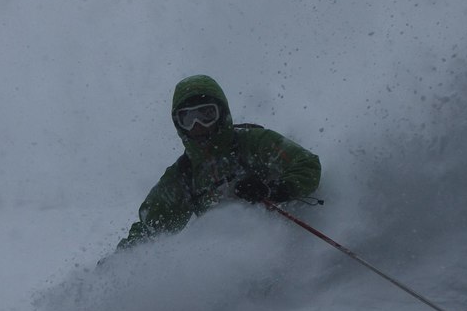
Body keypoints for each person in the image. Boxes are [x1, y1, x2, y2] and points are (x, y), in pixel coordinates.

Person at [119, 74, 321, 248]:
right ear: (179, 125)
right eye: (188, 119)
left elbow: (306, 164)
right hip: (231, 261)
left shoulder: (252, 142)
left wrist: (275, 189)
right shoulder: (184, 175)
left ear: (221, 113)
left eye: (206, 114)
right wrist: (118, 264)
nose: (198, 125)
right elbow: (150, 228)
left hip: (289, 235)